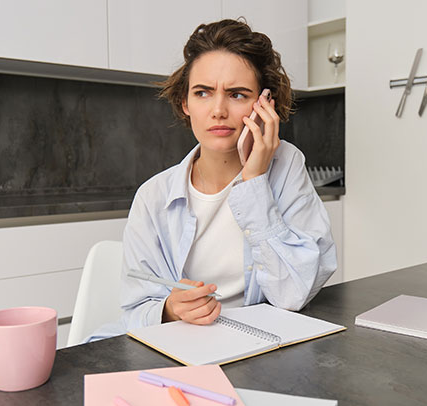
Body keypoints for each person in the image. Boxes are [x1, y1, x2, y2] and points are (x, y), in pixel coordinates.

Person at [87, 19, 336, 341]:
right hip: (184, 342)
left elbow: (293, 295)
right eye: (203, 93)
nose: (218, 110)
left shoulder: (286, 166)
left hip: (256, 342)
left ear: (264, 104)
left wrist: (255, 181)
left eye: (237, 94)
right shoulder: (153, 196)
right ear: (185, 103)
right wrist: (171, 309)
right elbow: (136, 310)